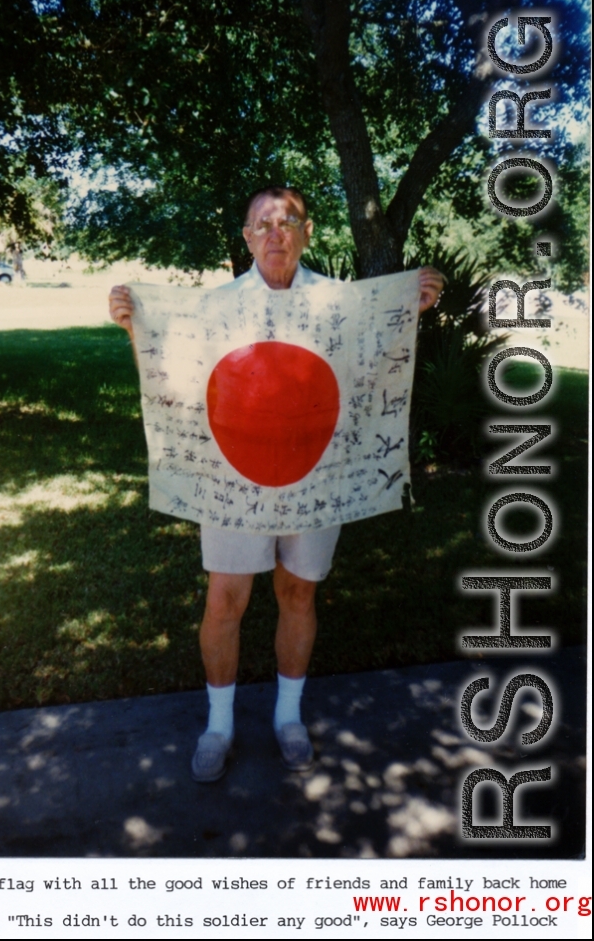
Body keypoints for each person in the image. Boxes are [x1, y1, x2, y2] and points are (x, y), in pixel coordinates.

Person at [109, 187, 444, 782]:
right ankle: (219, 724)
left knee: (298, 595)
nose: (275, 233)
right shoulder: (217, 307)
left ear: (307, 232)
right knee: (226, 600)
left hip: (316, 476)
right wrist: (137, 324)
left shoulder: (339, 303)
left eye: (287, 221)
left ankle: (288, 717)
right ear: (246, 236)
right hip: (233, 479)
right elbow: (174, 375)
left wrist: (406, 308)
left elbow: (371, 360)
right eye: (262, 223)